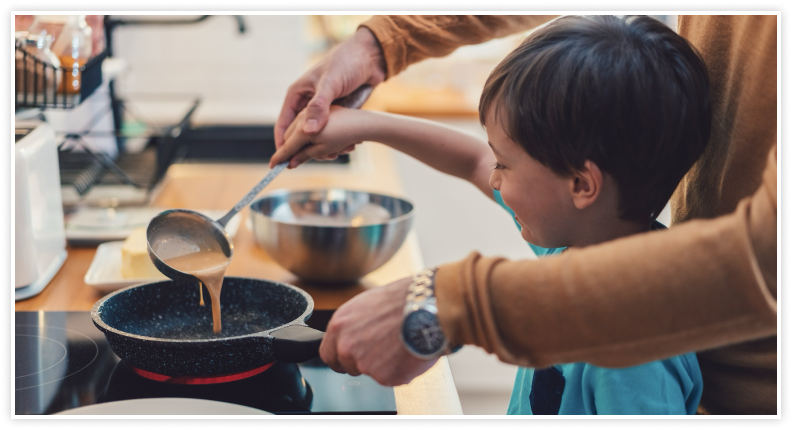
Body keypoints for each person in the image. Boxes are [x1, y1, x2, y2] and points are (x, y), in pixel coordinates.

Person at [272, 14, 778, 415]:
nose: (492, 177)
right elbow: (471, 158)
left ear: (582, 185)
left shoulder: (635, 353)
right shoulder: (580, 238)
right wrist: (364, 123)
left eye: (506, 165)